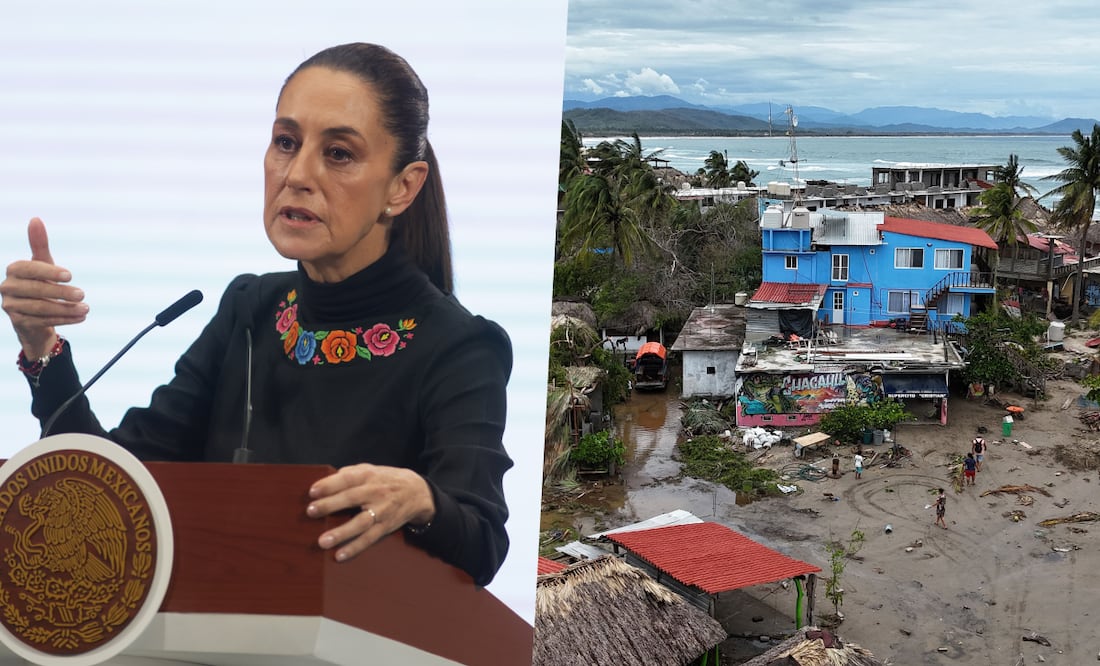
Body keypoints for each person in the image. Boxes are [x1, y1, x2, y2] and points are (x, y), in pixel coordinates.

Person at [0, 43, 512, 587]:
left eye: (339, 153)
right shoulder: (250, 308)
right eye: (286, 143)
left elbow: (482, 540)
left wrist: (423, 500)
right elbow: (106, 486)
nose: (298, 174)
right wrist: (41, 345)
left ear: (402, 187)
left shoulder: (459, 346)